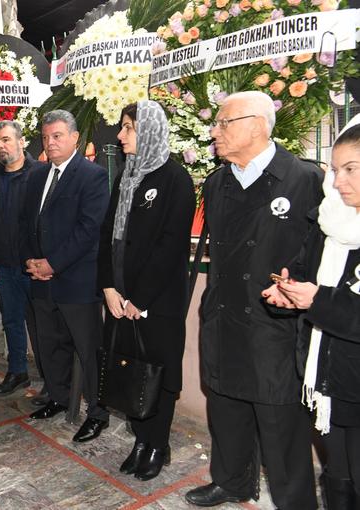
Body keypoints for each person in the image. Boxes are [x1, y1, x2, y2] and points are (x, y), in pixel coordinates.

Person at [184, 91, 323, 508]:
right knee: (226, 410)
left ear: (259, 126)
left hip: (274, 324)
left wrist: (299, 285)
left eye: (224, 123)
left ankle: (295, 501)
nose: (215, 132)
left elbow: (321, 251)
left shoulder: (303, 178)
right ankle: (231, 481)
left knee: (281, 426)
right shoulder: (217, 182)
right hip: (224, 317)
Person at [262, 124, 360, 509]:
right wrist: (287, 291)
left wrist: (315, 300)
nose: (337, 181)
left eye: (351, 169)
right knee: (338, 475)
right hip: (328, 380)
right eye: (334, 170)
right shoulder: (329, 221)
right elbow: (304, 269)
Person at [97, 100, 195, 480]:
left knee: (158, 372)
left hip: (155, 302)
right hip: (119, 299)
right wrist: (108, 286)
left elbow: (170, 247)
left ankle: (157, 444)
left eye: (128, 128)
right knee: (130, 369)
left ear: (150, 131)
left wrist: (139, 299)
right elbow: (107, 235)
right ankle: (140, 439)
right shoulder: (126, 177)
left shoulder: (176, 180)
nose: (120, 135)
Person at [20, 109, 110, 442]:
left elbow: (89, 229)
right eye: (45, 137)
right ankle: (58, 398)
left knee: (89, 351)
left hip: (77, 282)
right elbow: (26, 223)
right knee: (50, 346)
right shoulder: (36, 176)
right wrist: (31, 262)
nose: (50, 142)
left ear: (75, 137)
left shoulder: (93, 176)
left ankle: (98, 413)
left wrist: (53, 264)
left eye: (57, 136)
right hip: (41, 282)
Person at [0, 120, 44, 395]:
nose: (0, 146)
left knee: (42, 325)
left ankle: (51, 379)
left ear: (21, 142)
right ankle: (18, 371)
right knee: (11, 321)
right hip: (5, 266)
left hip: (34, 266)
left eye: (6, 140)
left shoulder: (40, 173)